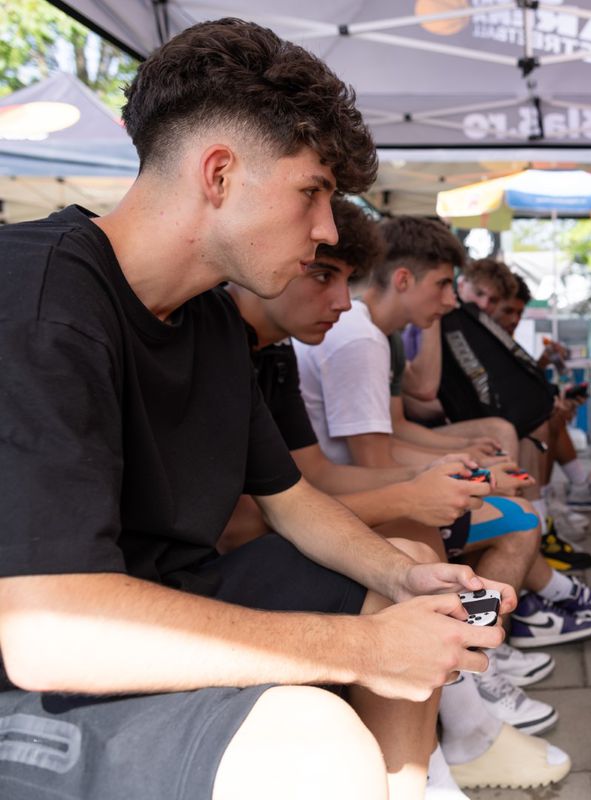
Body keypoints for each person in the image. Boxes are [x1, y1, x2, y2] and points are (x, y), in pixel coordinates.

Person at [0, 18, 516, 800]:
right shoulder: (39, 305)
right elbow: (47, 633)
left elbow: (293, 498)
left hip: (170, 603)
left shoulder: (211, 318)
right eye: (312, 192)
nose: (321, 231)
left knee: (406, 570)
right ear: (218, 174)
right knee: (319, 750)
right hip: (37, 679)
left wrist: (403, 583)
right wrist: (364, 650)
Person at [223, 197, 572, 793]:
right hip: (190, 581)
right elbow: (255, 518)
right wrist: (416, 494)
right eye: (323, 273)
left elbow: (315, 476)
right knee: (495, 527)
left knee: (430, 544)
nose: (342, 299)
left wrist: (444, 479)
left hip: (281, 531)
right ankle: (470, 706)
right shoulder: (349, 338)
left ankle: (467, 698)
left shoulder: (276, 351)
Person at [293, 217, 591, 648]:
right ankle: (476, 648)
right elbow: (375, 461)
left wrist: (462, 462)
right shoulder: (361, 338)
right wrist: (468, 472)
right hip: (354, 505)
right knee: (519, 521)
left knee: (500, 479)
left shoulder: (370, 334)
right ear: (403, 280)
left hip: (352, 493)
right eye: (443, 286)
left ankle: (530, 608)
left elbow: (390, 436)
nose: (451, 300)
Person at [494, 275, 591, 514]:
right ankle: (543, 511)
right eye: (508, 311)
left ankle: (551, 501)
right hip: (494, 423)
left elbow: (515, 386)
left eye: (519, 313)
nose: (514, 320)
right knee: (544, 422)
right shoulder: (483, 339)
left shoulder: (503, 339)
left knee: (551, 416)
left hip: (506, 414)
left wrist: (544, 364)